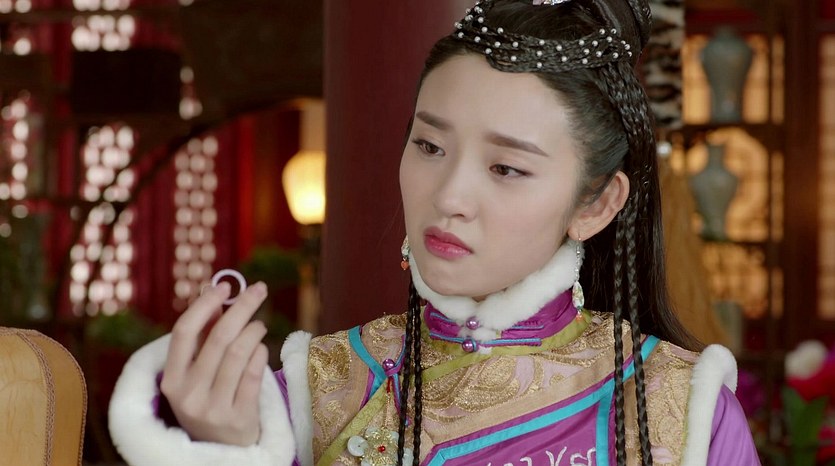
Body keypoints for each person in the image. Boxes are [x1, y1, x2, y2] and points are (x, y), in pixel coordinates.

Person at [108, 0, 761, 464]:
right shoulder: (313, 391)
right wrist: (225, 452)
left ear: (595, 204)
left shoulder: (684, 410)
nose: (447, 196)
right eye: (428, 146)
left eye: (505, 168)